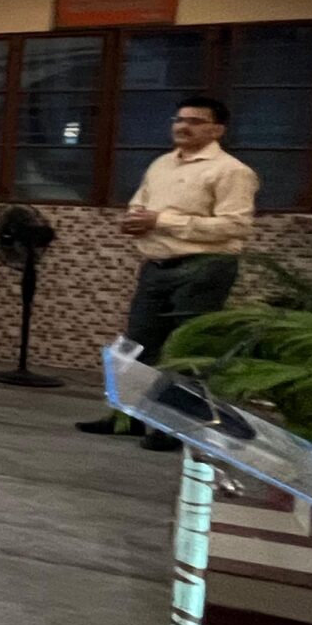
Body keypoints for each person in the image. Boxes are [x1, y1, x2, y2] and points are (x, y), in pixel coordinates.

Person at [78, 95, 258, 451]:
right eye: (179, 119)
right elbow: (140, 204)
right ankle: (127, 418)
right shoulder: (162, 164)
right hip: (157, 267)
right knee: (138, 345)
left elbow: (236, 226)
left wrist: (161, 221)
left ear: (216, 129)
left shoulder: (231, 171)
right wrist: (134, 220)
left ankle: (172, 429)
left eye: (194, 120)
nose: (183, 125)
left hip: (203, 270)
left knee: (184, 351)